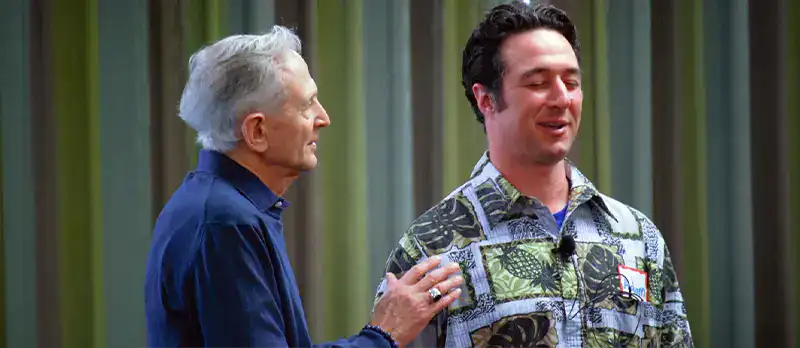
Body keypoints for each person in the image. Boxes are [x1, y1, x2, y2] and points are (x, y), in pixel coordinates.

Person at [372, 2, 693, 347]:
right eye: (538, 83)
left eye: (571, 82)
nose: (562, 99)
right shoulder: (432, 248)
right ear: (486, 100)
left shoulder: (638, 237)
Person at [144, 25, 464, 348]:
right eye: (306, 105)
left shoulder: (217, 206)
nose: (323, 118)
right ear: (257, 131)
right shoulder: (225, 222)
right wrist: (383, 335)